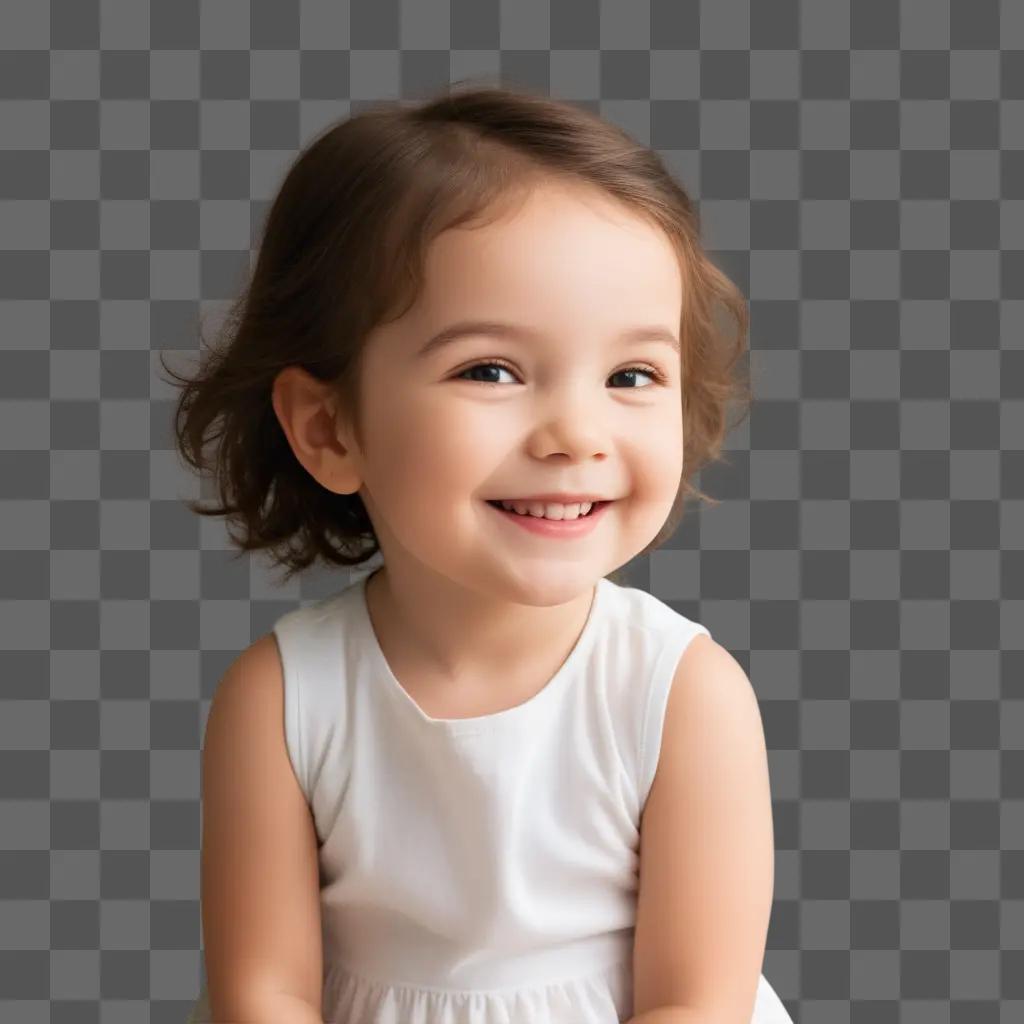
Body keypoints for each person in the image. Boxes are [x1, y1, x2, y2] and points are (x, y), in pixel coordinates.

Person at [166, 79, 794, 1024]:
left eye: (632, 374)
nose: (575, 434)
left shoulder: (682, 696)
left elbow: (698, 1004)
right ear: (330, 428)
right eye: (491, 370)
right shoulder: (283, 699)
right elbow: (264, 992)